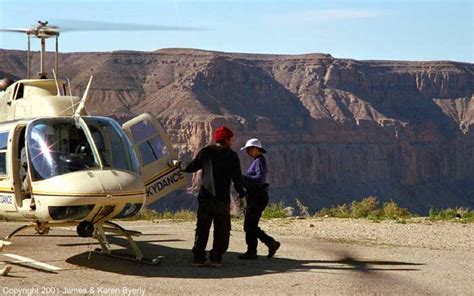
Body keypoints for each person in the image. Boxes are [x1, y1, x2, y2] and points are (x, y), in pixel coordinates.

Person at [182, 126, 246, 267]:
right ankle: (216, 258)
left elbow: (192, 167)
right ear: (227, 140)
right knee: (222, 230)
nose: (233, 141)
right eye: (231, 139)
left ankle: (198, 258)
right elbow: (237, 179)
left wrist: (178, 165)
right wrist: (242, 195)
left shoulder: (206, 152)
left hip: (205, 197)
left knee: (202, 228)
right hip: (222, 200)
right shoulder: (232, 156)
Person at [239, 138, 280, 260]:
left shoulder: (259, 161)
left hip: (258, 197)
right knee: (250, 225)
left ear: (256, 149)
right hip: (255, 196)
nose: (247, 152)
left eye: (249, 149)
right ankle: (258, 248)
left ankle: (266, 245)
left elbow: (259, 179)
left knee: (249, 225)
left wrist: (243, 179)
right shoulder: (258, 161)